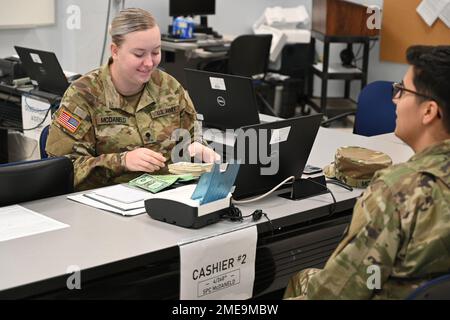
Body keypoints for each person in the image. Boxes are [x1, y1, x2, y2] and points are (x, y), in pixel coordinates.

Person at [284, 45, 450, 299]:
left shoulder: (396, 192)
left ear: (428, 111)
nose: (394, 99)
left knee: (302, 280)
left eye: (402, 91)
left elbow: (334, 294)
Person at [46, 8, 219, 191]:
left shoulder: (169, 88)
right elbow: (63, 170)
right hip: (106, 205)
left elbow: (192, 137)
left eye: (156, 52)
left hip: (168, 199)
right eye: (139, 54)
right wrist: (122, 161)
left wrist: (199, 149)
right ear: (115, 50)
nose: (149, 63)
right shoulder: (83, 95)